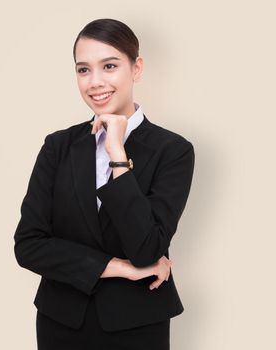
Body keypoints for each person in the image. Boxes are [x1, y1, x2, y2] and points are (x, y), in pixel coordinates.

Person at [13, 18, 195, 350]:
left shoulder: (173, 151)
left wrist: (116, 152)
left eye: (109, 66)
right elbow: (29, 245)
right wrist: (120, 269)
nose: (95, 82)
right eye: (83, 70)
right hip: (62, 324)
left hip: (137, 325)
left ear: (136, 68)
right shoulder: (58, 147)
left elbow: (146, 248)